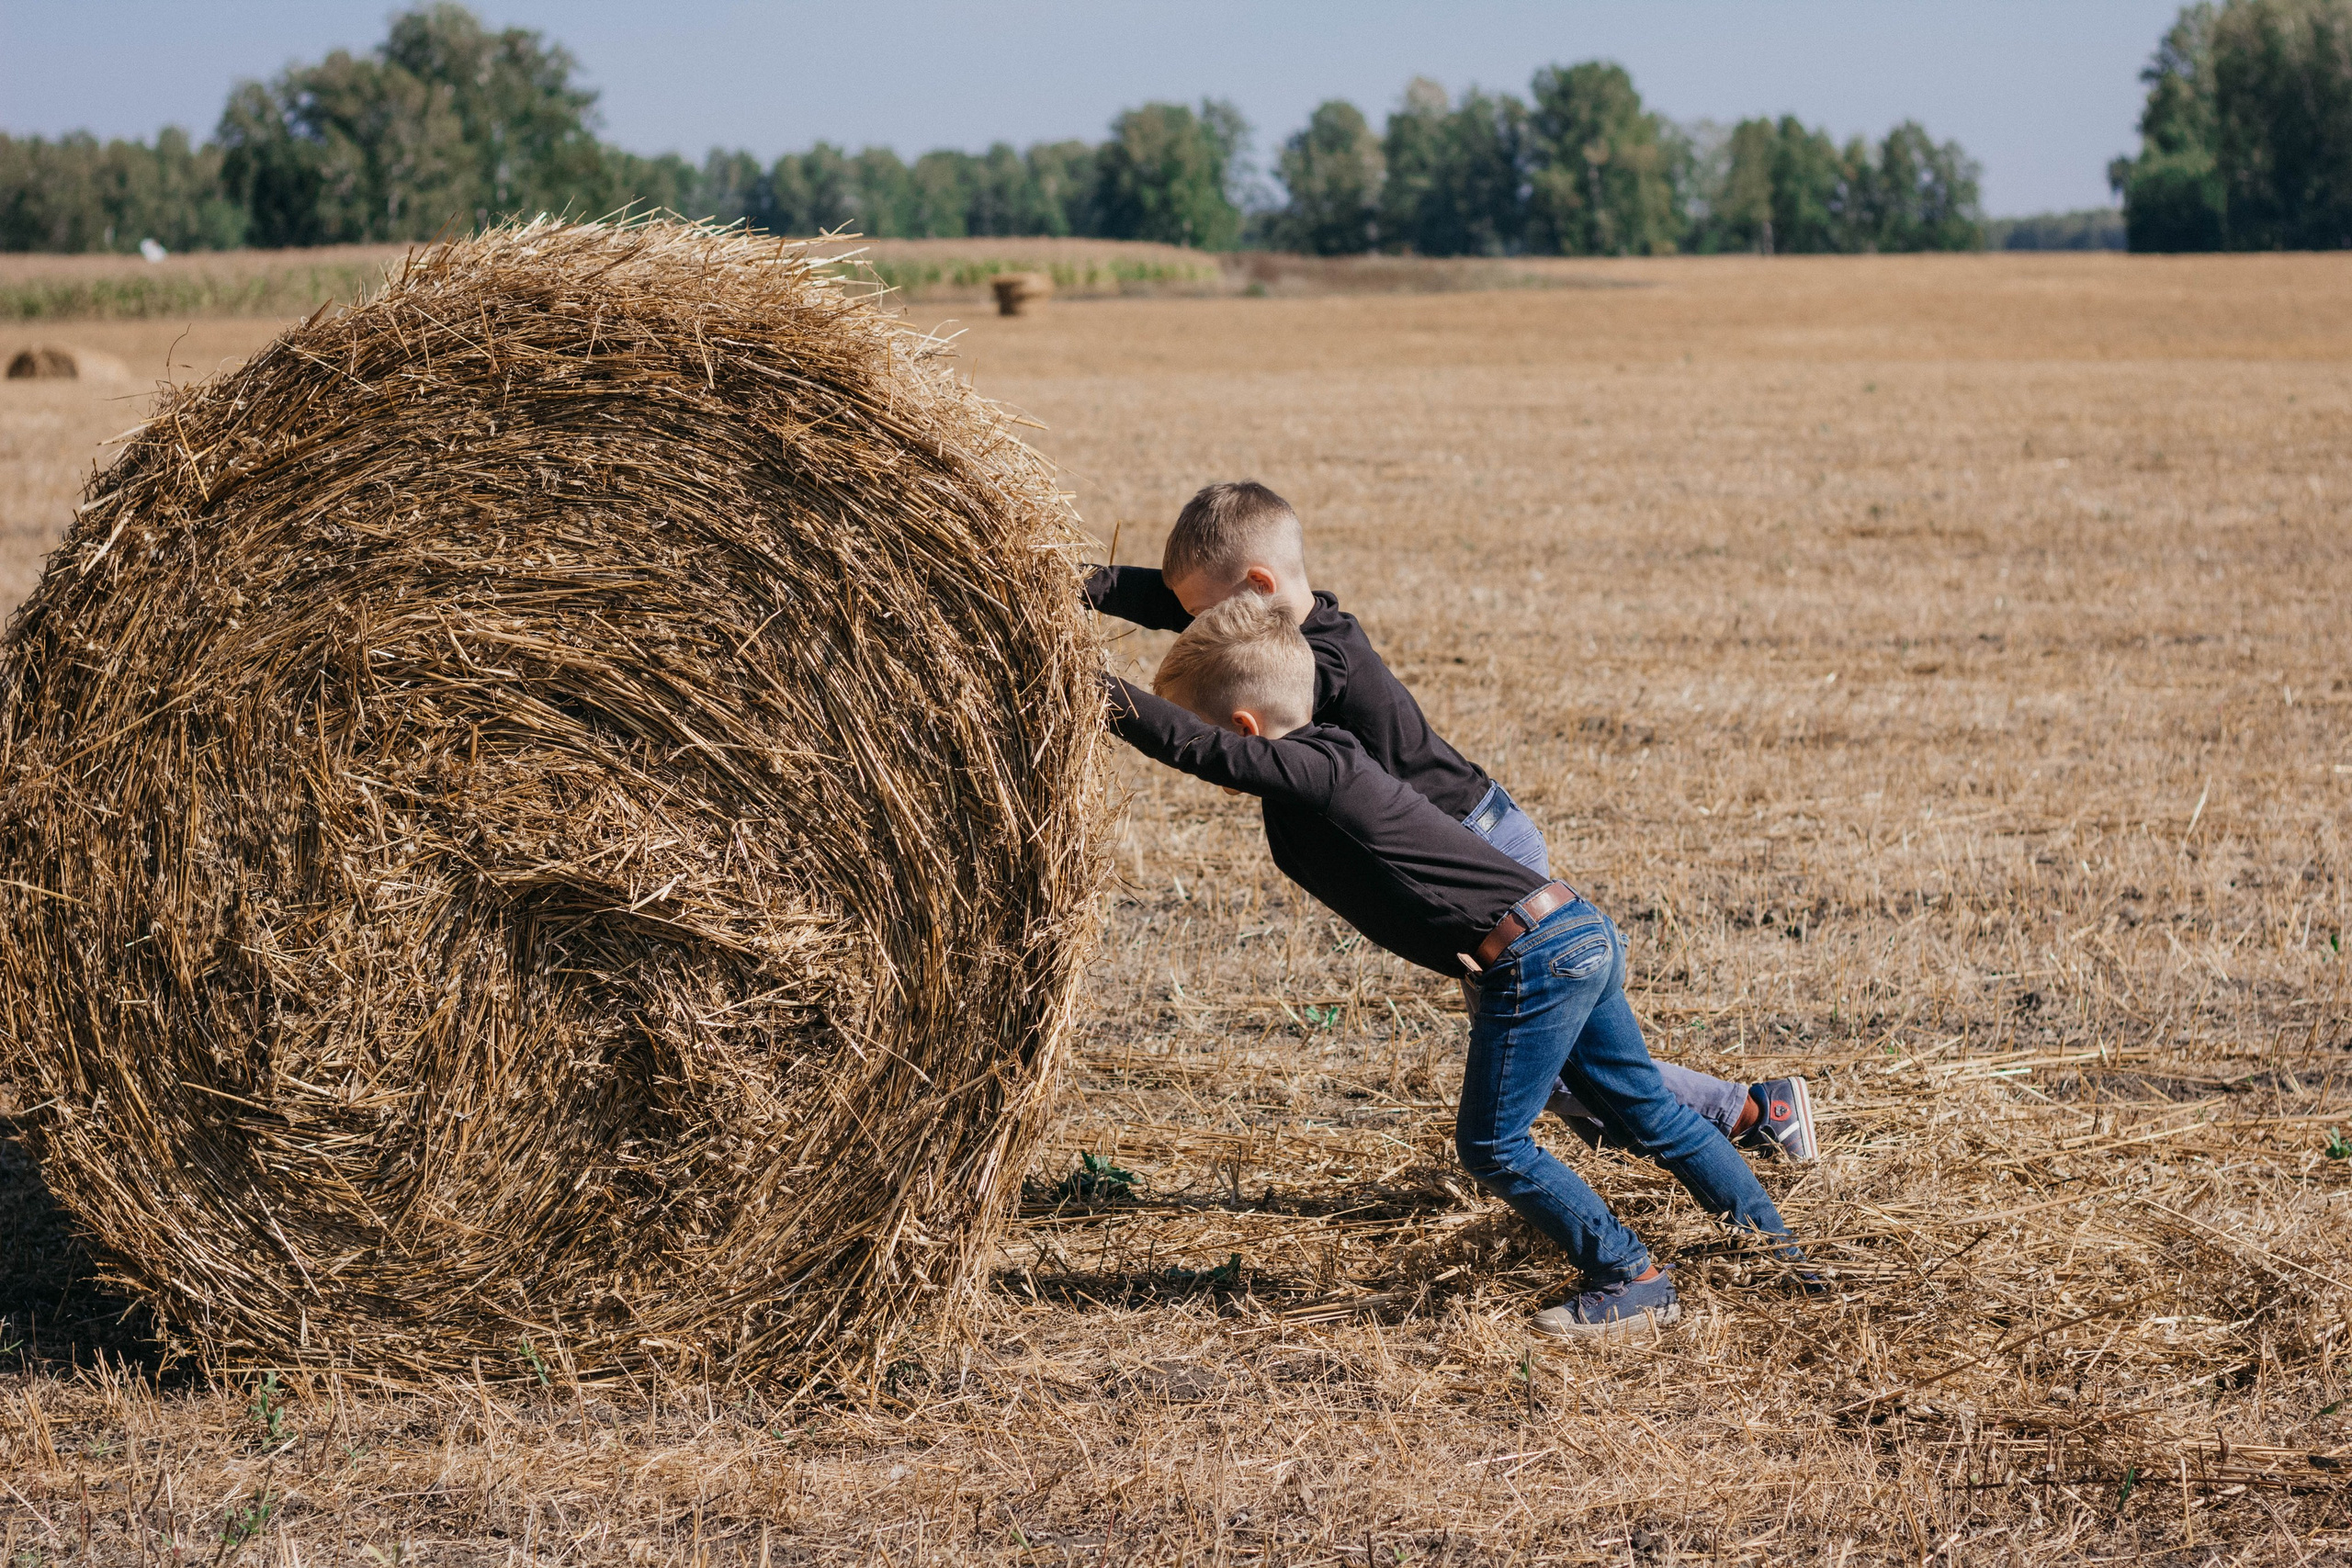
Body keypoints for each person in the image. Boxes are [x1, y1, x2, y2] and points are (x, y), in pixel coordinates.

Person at [1106, 596, 1807, 1337]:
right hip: (1567, 927)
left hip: (1536, 958)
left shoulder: (1322, 765)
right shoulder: (1319, 771)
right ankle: (1787, 1252)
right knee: (1650, 1110)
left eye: (1224, 737)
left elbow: (1198, 747)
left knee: (1494, 1145)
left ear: (1247, 729)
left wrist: (1087, 686)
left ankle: (1627, 1274)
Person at [1088, 480, 1816, 1161]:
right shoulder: (1295, 626)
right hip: (1483, 835)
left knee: (1560, 1071)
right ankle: (1737, 1116)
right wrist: (1065, 580)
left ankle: (1750, 1115)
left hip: (1483, 850)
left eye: (1204, 613)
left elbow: (1214, 749)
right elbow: (1172, 601)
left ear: (1256, 590)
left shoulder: (1321, 660)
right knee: (1574, 1064)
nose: (1191, 626)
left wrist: (1082, 681)